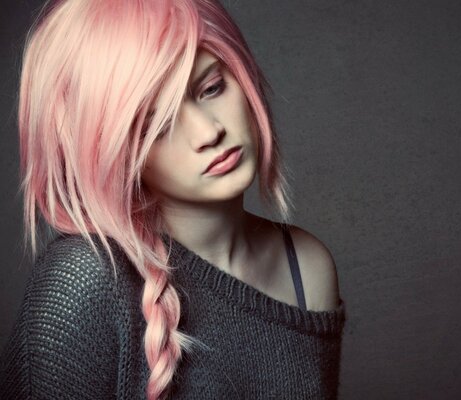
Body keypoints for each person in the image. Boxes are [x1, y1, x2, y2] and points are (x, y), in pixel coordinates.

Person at [0, 0, 346, 399]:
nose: (207, 132)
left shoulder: (307, 269)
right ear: (114, 151)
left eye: (211, 88)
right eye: (159, 123)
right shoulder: (84, 283)